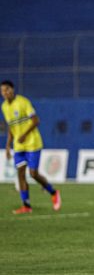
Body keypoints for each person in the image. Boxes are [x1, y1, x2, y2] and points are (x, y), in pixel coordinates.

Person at [1, 80, 61, 214]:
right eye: (2, 91)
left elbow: (36, 120)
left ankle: (53, 192)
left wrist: (24, 134)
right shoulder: (4, 106)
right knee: (20, 174)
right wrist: (7, 145)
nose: (5, 93)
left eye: (7, 89)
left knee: (33, 174)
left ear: (12, 89)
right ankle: (26, 205)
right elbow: (11, 126)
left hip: (32, 143)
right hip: (18, 146)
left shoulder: (23, 102)